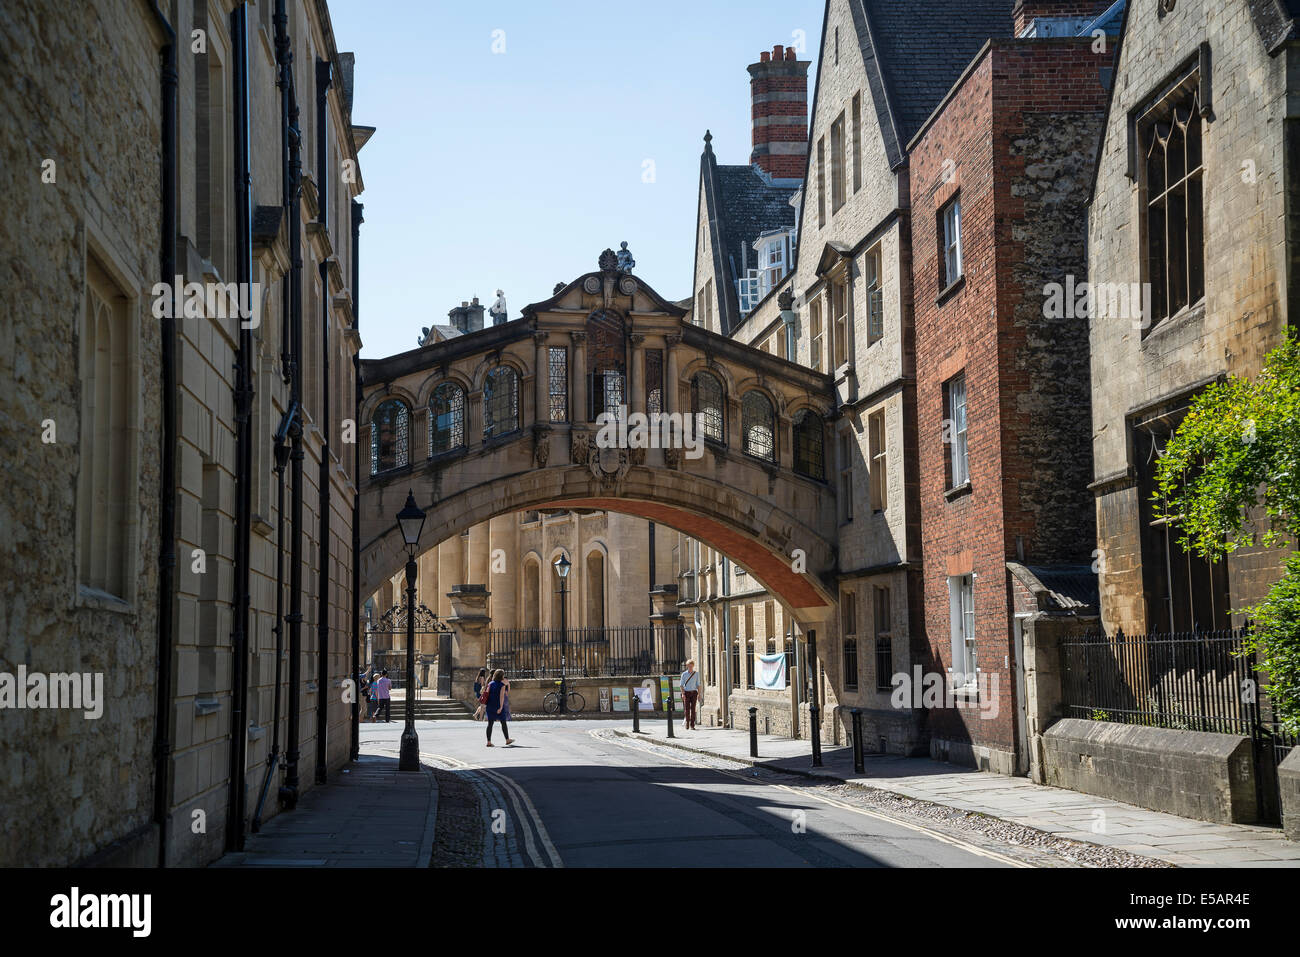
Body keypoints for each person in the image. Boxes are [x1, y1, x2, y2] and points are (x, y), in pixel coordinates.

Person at [484, 669, 514, 747]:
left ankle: (488, 742)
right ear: (501, 676)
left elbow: (487, 694)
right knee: (503, 723)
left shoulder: (490, 683)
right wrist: (500, 707)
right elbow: (502, 697)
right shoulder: (502, 685)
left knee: (490, 724)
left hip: (490, 705)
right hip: (498, 705)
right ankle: (507, 740)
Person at [680, 659, 700, 730]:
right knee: (687, 709)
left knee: (693, 709)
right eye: (689, 666)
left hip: (694, 692)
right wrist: (683, 694)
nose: (690, 668)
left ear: (693, 666)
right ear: (687, 666)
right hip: (687, 692)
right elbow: (681, 685)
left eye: (691, 666)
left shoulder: (696, 674)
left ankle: (692, 725)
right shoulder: (684, 674)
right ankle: (687, 723)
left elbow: (698, 684)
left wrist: (699, 694)